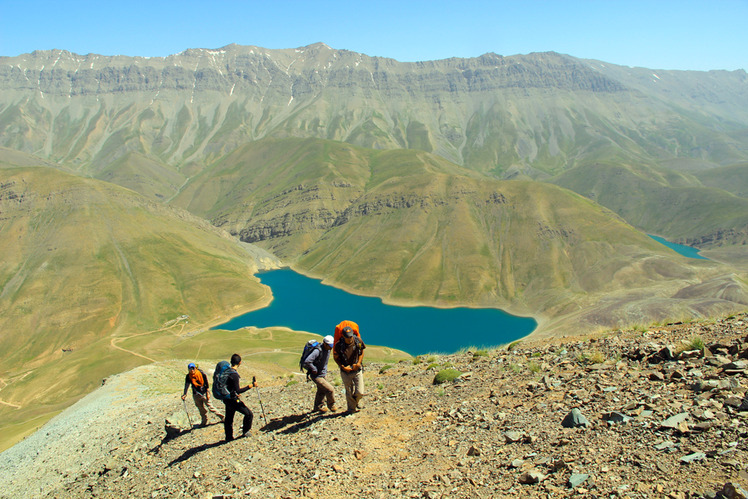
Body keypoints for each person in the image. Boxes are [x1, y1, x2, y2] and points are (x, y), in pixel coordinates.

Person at [223, 353, 258, 441]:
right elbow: (238, 390)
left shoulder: (227, 371)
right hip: (233, 400)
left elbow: (229, 387)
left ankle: (228, 437)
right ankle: (245, 431)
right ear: (240, 363)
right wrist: (250, 386)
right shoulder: (234, 374)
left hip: (227, 399)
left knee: (229, 419)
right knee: (249, 414)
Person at [333, 325, 366, 414]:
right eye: (347, 337)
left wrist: (358, 363)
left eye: (351, 336)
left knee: (360, 392)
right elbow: (336, 357)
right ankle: (351, 409)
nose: (350, 338)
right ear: (343, 336)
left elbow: (361, 351)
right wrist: (342, 366)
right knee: (349, 391)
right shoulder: (339, 345)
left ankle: (356, 402)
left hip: (356, 370)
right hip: (345, 372)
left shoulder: (357, 341)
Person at [303, 335, 337, 413]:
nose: (331, 348)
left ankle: (318, 407)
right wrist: (314, 369)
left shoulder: (327, 349)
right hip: (317, 375)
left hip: (322, 374)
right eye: (329, 346)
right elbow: (307, 361)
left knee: (321, 390)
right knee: (330, 389)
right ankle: (331, 405)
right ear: (325, 343)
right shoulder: (318, 351)